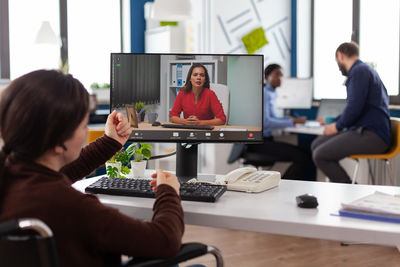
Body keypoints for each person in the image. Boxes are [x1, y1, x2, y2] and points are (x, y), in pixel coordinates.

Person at [0, 70, 184, 267]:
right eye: (83, 127)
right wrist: (169, 192)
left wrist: (110, 142)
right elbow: (165, 240)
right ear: (58, 141)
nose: (87, 132)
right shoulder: (74, 207)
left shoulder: (12, 178)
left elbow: (61, 174)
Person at [311, 42, 391, 183]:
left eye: (337, 61)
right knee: (316, 145)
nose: (338, 66)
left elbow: (354, 108)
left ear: (340, 56)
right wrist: (334, 121)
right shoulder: (364, 70)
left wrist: (336, 126)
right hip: (366, 131)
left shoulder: (359, 71)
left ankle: (351, 191)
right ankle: (348, 188)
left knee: (320, 155)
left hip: (372, 135)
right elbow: (356, 108)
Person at [247, 64, 316, 181]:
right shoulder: (264, 93)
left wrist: (288, 120)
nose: (280, 78)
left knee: (307, 153)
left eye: (281, 76)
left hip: (268, 140)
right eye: (276, 75)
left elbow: (272, 118)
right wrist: (292, 123)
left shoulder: (272, 93)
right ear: (267, 76)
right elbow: (266, 122)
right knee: (302, 157)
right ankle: (283, 185)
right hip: (259, 143)